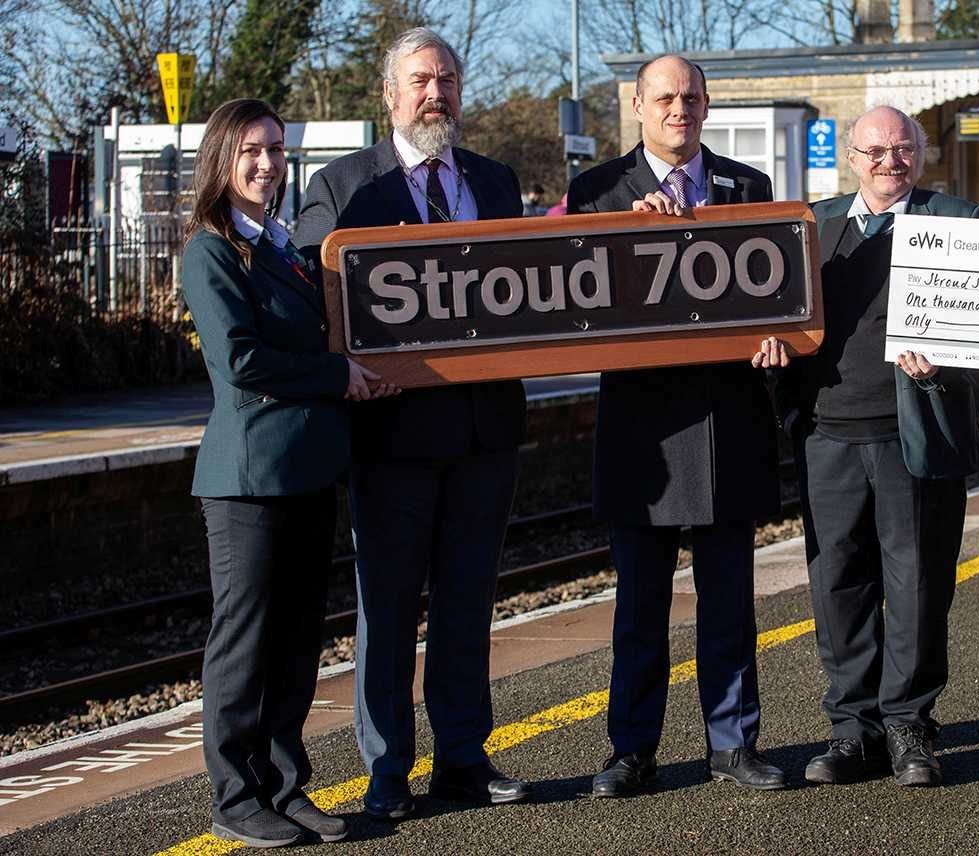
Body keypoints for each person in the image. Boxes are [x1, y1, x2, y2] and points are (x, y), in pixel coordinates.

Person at [292, 27, 531, 820]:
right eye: (422, 80)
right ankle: (388, 769)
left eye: (449, 79)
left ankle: (463, 758)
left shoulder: (497, 183)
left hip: (483, 433)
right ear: (390, 95)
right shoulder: (342, 185)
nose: (438, 93)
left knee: (469, 605)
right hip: (389, 439)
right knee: (388, 612)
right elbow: (309, 298)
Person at [566, 54, 785, 797]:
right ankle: (632, 749)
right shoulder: (596, 193)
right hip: (643, 437)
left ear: (708, 103)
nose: (678, 109)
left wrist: (775, 342)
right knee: (640, 610)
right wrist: (626, 245)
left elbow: (776, 300)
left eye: (690, 97)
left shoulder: (748, 188)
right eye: (663, 98)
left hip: (727, 426)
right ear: (635, 104)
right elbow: (576, 312)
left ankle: (734, 742)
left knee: (729, 604)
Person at [182, 98, 397, 848]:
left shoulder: (280, 244)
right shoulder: (209, 251)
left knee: (300, 638)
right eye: (250, 151)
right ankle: (235, 794)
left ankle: (284, 783)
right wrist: (337, 374)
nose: (267, 164)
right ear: (221, 159)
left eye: (275, 149)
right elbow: (239, 360)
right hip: (247, 479)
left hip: (307, 470)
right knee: (244, 640)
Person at [754, 106, 979, 788]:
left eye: (903, 148)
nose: (891, 161)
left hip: (909, 432)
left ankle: (910, 723)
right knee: (838, 585)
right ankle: (853, 729)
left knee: (917, 584)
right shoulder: (808, 228)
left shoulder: (957, 222)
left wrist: (947, 363)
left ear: (920, 154)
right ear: (852, 157)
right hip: (826, 432)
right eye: (876, 150)